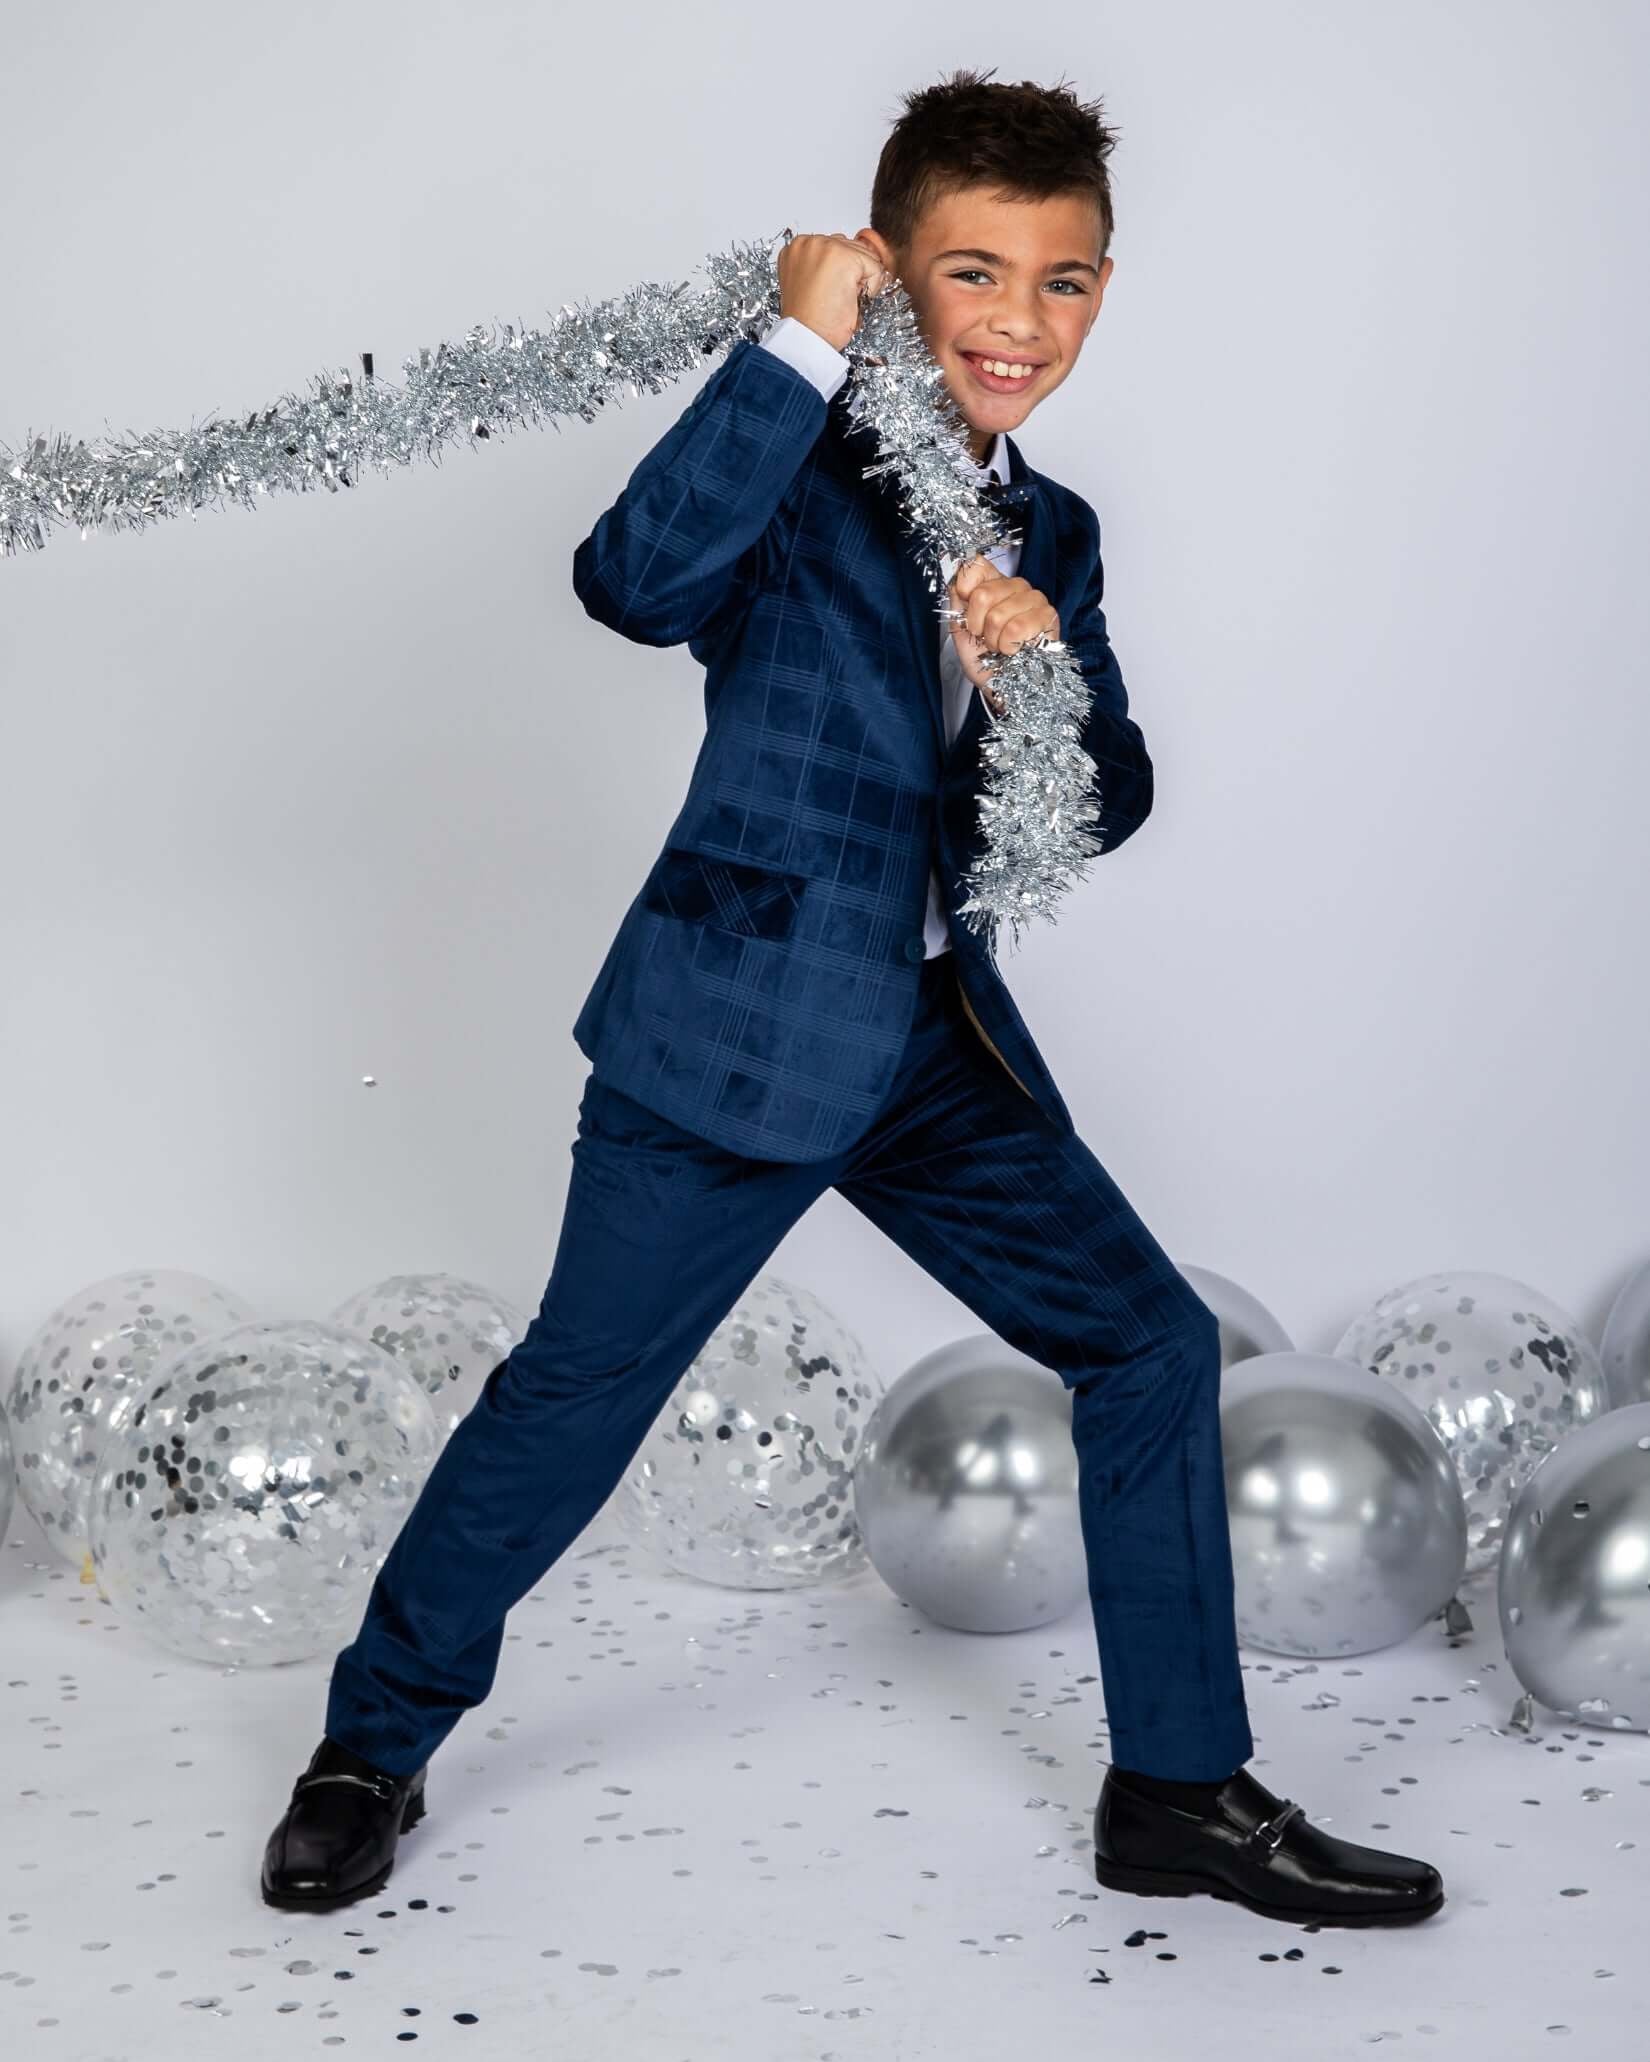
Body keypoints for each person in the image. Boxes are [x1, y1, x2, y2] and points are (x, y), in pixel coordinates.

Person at [262, 67, 1443, 1929]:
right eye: (972, 273)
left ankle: (1179, 1791)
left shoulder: (1049, 533)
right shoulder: (799, 461)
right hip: (726, 1025)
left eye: (1059, 283)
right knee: (574, 1394)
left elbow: (1106, 798)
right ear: (892, 271)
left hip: (919, 1039)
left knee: (1142, 1347)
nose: (1017, 323)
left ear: (1101, 297)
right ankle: (366, 1748)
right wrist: (788, 349)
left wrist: (1040, 683)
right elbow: (632, 585)